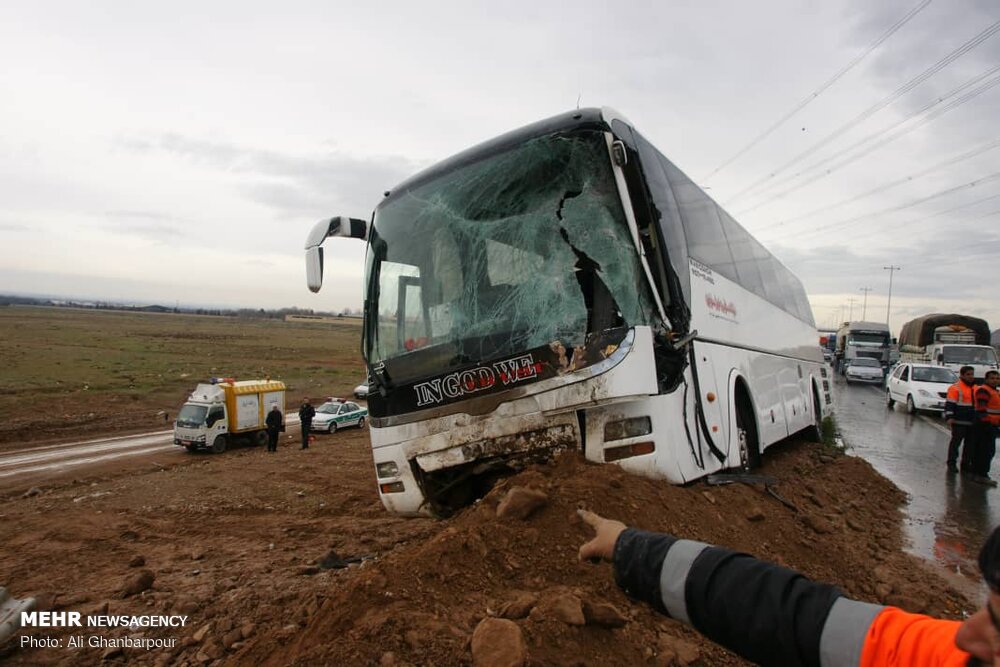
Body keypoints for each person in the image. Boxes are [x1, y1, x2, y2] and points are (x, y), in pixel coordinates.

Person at [578, 508, 1000, 666]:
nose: (966, 631)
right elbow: (791, 616)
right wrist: (632, 549)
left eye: (997, 625)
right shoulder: (945, 656)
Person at [946, 365, 978, 474]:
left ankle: (965, 465)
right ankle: (951, 463)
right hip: (959, 421)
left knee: (970, 445)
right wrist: (950, 417)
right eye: (968, 374)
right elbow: (950, 404)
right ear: (962, 375)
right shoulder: (955, 388)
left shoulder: (975, 388)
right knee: (955, 444)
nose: (971, 377)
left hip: (972, 421)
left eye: (972, 374)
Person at [971, 370, 1000, 487]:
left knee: (987, 451)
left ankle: (979, 474)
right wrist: (987, 423)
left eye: (997, 378)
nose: (995, 380)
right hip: (984, 426)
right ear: (986, 379)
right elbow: (982, 409)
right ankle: (981, 475)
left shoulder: (994, 391)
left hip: (991, 425)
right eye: (992, 378)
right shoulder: (984, 390)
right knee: (985, 451)